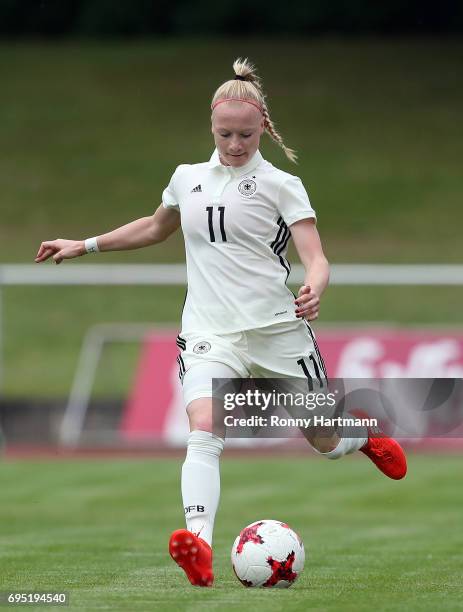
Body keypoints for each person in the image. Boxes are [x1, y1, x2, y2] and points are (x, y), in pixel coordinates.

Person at [35, 58, 407, 588]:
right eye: (225, 133)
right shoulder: (187, 178)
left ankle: (361, 437)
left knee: (322, 439)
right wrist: (85, 243)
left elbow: (316, 257)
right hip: (210, 331)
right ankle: (201, 547)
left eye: (247, 134)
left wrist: (314, 287)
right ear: (211, 127)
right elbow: (154, 227)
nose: (235, 143)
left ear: (265, 129)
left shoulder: (283, 185)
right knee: (204, 430)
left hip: (278, 331)